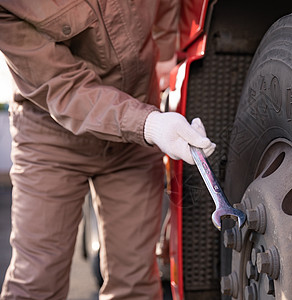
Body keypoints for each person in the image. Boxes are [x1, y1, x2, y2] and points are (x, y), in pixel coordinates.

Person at [0, 1, 215, 299]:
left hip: (134, 137)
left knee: (136, 284)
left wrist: (169, 78)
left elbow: (168, 10)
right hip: (51, 138)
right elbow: (64, 88)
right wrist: (150, 124)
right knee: (38, 281)